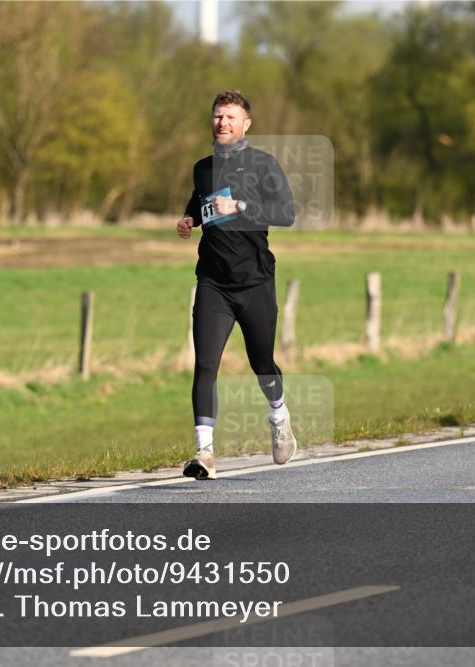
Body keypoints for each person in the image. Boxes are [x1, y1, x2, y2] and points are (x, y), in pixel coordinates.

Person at [176, 90, 297, 479]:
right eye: (217, 116)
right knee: (205, 364)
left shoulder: (263, 165)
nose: (222, 122)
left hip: (255, 281)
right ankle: (205, 453)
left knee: (262, 363)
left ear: (246, 124)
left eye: (230, 117)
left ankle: (278, 415)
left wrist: (240, 206)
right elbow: (200, 200)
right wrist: (189, 219)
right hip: (213, 282)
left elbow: (287, 213)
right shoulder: (203, 168)